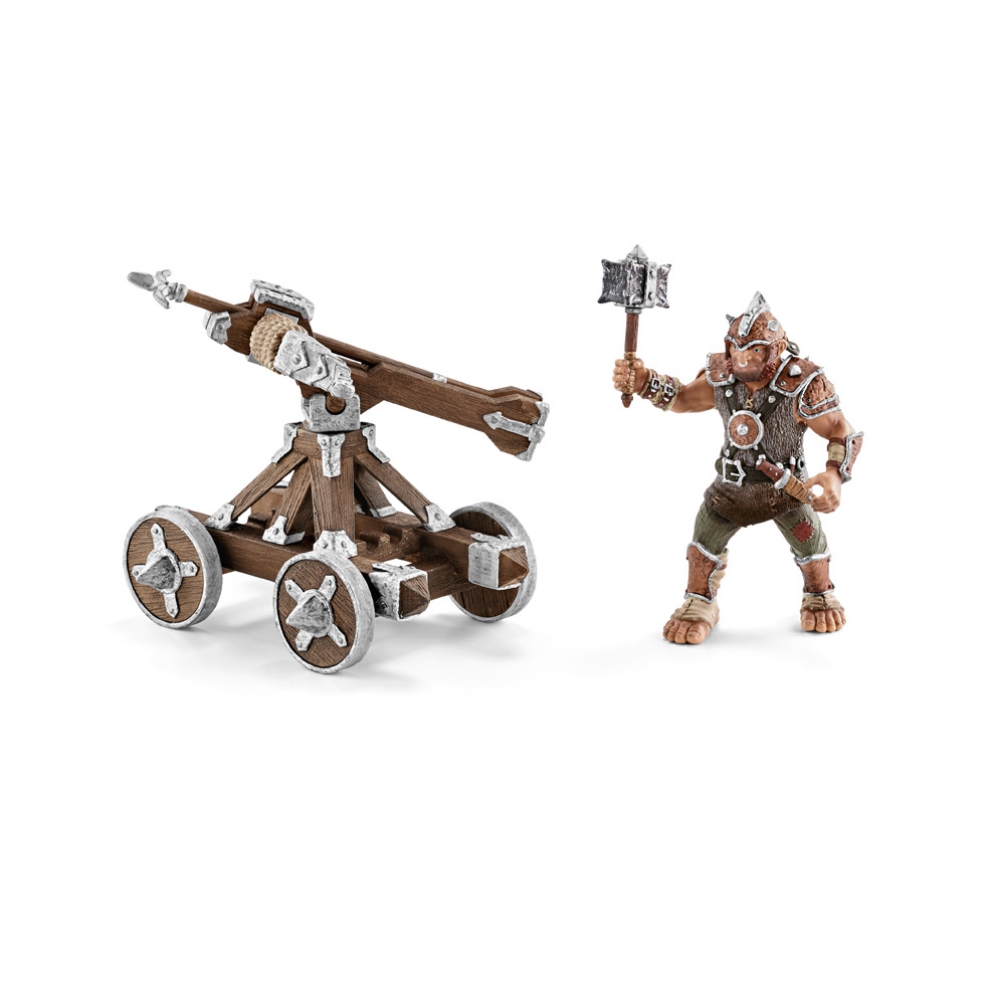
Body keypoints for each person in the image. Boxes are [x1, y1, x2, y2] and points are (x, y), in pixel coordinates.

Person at [612, 292, 862, 644]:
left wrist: (834, 475)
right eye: (737, 349)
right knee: (702, 547)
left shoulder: (801, 384)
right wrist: (644, 381)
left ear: (776, 349)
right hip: (729, 490)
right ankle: (700, 602)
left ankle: (819, 596)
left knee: (811, 547)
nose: (743, 359)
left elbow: (839, 426)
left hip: (785, 491)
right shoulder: (723, 378)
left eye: (755, 350)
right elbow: (683, 398)